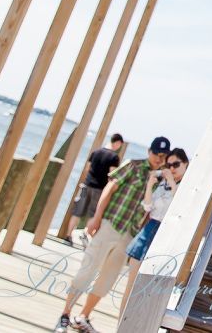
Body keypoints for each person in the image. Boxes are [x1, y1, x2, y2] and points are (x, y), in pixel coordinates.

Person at [54, 137, 171, 333]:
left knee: (107, 279)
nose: (159, 159)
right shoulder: (133, 165)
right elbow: (109, 189)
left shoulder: (160, 180)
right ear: (149, 151)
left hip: (129, 234)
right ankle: (65, 314)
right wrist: (96, 218)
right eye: (156, 154)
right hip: (111, 224)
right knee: (87, 269)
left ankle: (83, 315)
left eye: (163, 156)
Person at [118, 147, 189, 316]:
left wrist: (171, 181)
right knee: (131, 285)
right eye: (169, 165)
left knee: (148, 288)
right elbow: (147, 207)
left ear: (186, 164)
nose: (172, 168)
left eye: (176, 164)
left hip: (166, 236)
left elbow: (179, 206)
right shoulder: (163, 185)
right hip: (149, 230)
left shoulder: (187, 187)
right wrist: (150, 185)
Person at [69, 132, 125, 243]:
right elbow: (112, 175)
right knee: (93, 214)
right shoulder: (114, 157)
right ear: (118, 143)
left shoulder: (96, 152)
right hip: (99, 188)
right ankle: (86, 234)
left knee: (77, 211)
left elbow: (87, 168)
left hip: (86, 185)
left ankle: (68, 235)